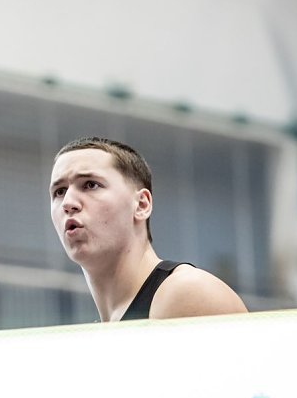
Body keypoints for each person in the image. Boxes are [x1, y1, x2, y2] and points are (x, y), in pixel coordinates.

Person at [49, 137, 248, 322]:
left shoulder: (188, 292)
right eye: (59, 191)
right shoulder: (104, 329)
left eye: (90, 185)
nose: (68, 203)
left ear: (141, 205)